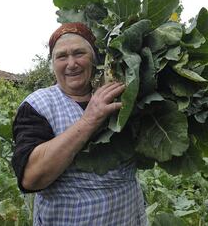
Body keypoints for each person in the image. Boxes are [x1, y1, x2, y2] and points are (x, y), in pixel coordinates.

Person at [11, 22, 147, 225]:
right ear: (53, 64)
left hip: (128, 216)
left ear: (95, 59)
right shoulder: (38, 105)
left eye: (79, 53)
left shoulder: (123, 95)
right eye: (62, 56)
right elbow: (31, 178)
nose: (71, 63)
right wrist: (89, 120)